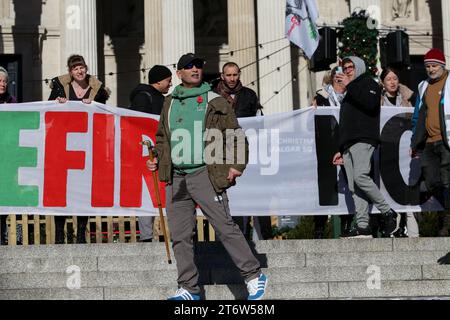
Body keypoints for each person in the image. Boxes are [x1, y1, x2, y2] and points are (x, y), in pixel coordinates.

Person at [146, 53, 267, 300]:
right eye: (189, 66)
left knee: (224, 227)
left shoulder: (215, 100)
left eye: (199, 65)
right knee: (180, 235)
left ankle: (254, 276)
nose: (195, 69)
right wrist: (158, 157)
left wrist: (236, 165)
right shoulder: (169, 102)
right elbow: (162, 137)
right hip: (176, 177)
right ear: (179, 72)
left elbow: (235, 134)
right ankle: (189, 288)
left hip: (205, 172)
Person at [332, 56, 400, 238]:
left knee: (361, 176)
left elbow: (370, 104)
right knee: (354, 185)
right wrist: (341, 147)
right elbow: (346, 121)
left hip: (363, 139)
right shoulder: (350, 90)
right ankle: (363, 225)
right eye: (345, 68)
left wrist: (350, 86)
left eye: (350, 67)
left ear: (359, 67)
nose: (347, 71)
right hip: (349, 143)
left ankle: (388, 213)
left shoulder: (367, 83)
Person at [49, 54, 110, 244]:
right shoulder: (60, 87)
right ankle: (60, 232)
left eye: (82, 67)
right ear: (70, 72)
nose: (80, 71)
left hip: (87, 146)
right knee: (61, 191)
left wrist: (95, 106)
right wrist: (56, 104)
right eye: (75, 68)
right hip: (63, 146)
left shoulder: (97, 89)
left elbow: (104, 116)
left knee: (83, 189)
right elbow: (49, 113)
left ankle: (81, 231)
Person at [214, 62, 272, 241]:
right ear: (222, 76)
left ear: (239, 74)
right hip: (220, 152)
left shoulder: (249, 95)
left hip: (246, 150)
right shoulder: (213, 96)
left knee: (253, 194)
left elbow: (259, 122)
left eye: (235, 75)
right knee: (226, 195)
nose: (232, 79)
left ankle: (261, 235)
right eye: (228, 75)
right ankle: (231, 236)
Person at [129, 65, 172, 242]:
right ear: (158, 80)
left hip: (162, 151)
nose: (170, 84)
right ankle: (146, 236)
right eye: (168, 80)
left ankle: (170, 234)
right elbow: (138, 125)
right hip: (145, 153)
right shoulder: (143, 97)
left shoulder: (163, 99)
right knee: (147, 194)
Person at [411, 48, 450, 237]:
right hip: (428, 142)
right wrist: (414, 141)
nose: (431, 69)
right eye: (427, 66)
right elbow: (418, 114)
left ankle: (446, 222)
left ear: (442, 66)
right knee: (432, 181)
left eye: (434, 66)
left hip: (447, 141)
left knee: (447, 181)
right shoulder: (423, 86)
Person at [313, 66, 352, 238]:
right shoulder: (321, 97)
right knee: (325, 187)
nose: (339, 79)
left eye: (342, 76)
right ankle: (319, 228)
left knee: (348, 184)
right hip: (325, 146)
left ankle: (347, 225)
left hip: (347, 146)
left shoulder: (352, 96)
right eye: (336, 76)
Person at [380, 67, 419, 238]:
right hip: (386, 152)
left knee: (407, 192)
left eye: (395, 78)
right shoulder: (378, 101)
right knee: (390, 191)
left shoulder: (405, 101)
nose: (393, 82)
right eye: (388, 79)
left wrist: (404, 90)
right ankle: (393, 228)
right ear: (382, 82)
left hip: (404, 152)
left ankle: (411, 230)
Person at [0, 66, 17, 245]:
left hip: (6, 157)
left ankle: (3, 237)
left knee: (3, 199)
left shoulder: (13, 102)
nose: (3, 84)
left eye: (5, 81)